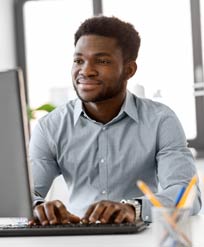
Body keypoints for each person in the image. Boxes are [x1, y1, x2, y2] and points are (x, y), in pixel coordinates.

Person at [29, 15, 202, 225]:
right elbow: (27, 194)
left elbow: (187, 195)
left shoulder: (160, 120)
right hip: (76, 239)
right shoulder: (50, 127)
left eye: (102, 61)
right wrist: (39, 208)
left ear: (129, 70)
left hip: (142, 239)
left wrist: (133, 208)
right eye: (78, 60)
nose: (86, 71)